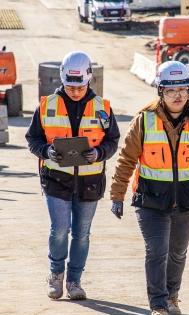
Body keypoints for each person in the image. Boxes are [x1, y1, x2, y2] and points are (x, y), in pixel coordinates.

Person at [110, 61, 189, 315]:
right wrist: (117, 194)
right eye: (171, 89)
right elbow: (126, 159)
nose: (178, 95)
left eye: (183, 89)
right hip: (150, 200)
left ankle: (172, 296)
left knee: (177, 252)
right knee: (156, 251)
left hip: (186, 200)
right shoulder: (144, 121)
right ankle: (158, 307)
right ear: (160, 91)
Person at [26, 51, 120, 300]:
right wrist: (46, 151)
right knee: (59, 229)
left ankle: (74, 281)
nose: (75, 92)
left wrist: (99, 153)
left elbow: (113, 140)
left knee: (82, 233)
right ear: (62, 80)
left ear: (88, 80)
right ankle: (56, 274)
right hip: (57, 179)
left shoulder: (103, 107)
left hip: (90, 182)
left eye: (80, 87)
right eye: (70, 86)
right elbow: (32, 138)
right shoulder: (47, 106)